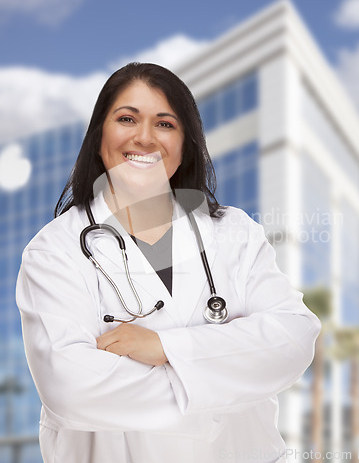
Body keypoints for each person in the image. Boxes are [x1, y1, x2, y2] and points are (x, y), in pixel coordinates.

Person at [16, 62, 320, 463]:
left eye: (165, 124)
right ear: (99, 136)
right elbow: (71, 387)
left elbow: (293, 339)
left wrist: (165, 347)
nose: (144, 138)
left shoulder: (234, 231)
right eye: (127, 119)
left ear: (184, 144)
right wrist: (226, 378)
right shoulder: (55, 251)